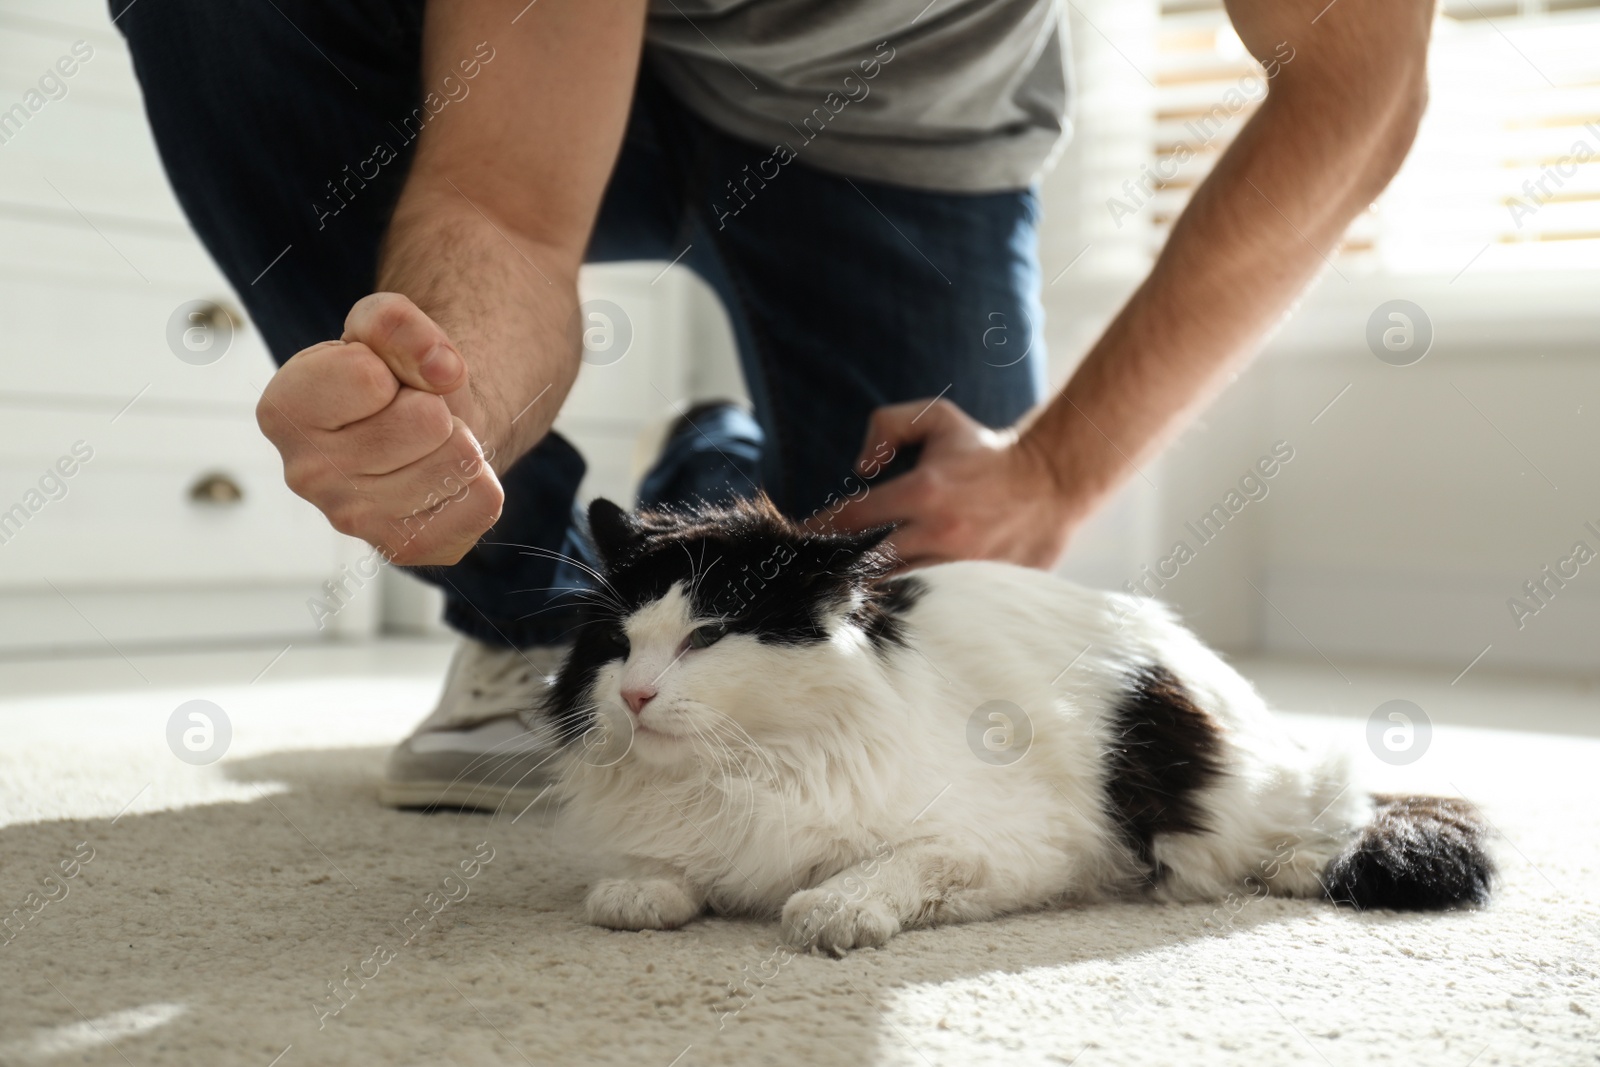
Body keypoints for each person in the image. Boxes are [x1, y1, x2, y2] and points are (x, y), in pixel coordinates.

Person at [114, 0, 1432, 809]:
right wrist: (448, 416)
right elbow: (505, 201)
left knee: (920, 629)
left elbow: (1355, 83)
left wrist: (1058, 474)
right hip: (585, 83)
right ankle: (540, 607)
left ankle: (709, 476)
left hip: (906, 136)